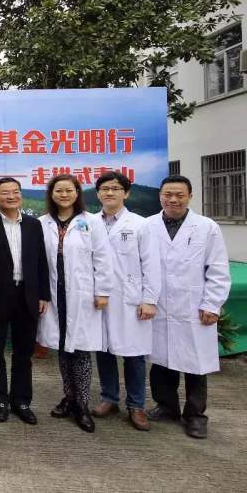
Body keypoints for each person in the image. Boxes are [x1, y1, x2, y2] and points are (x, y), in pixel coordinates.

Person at [145, 175, 231, 439]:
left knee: (196, 364)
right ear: (160, 196)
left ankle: (195, 416)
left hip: (194, 305)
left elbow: (218, 268)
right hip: (159, 305)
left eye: (179, 195)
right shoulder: (148, 226)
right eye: (168, 194)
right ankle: (166, 406)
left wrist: (212, 304)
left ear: (190, 196)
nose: (173, 200)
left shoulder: (206, 227)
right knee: (161, 361)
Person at [39, 174, 113, 433]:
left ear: (77, 193)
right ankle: (69, 398)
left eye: (68, 190)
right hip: (55, 293)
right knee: (62, 348)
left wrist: (102, 292)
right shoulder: (43, 223)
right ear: (51, 194)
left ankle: (82, 404)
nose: (63, 194)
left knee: (80, 350)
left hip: (82, 295)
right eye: (58, 190)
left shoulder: (91, 221)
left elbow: (103, 258)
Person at [0, 177, 49, 425]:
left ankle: (21, 401)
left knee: (23, 352)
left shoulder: (33, 225)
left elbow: (41, 262)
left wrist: (43, 295)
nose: (11, 196)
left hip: (27, 295)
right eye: (5, 193)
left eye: (15, 192)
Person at [91, 171, 161, 432]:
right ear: (98, 193)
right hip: (99, 297)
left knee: (134, 354)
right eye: (105, 188)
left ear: (126, 193)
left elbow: (152, 264)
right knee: (103, 350)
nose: (110, 193)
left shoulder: (140, 225)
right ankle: (109, 398)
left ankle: (136, 405)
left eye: (116, 188)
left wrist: (149, 300)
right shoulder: (89, 223)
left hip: (131, 299)